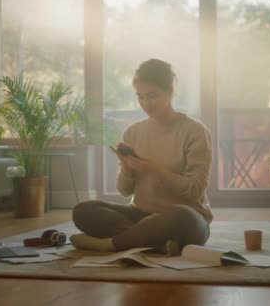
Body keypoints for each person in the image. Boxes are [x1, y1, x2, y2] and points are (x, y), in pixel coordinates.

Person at [70, 58, 213, 254]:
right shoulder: (133, 132)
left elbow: (195, 191)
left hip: (182, 218)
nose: (146, 103)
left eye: (152, 96)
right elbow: (124, 191)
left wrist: (155, 170)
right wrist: (127, 170)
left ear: (170, 91)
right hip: (141, 215)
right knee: (83, 211)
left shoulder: (195, 131)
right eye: (141, 96)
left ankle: (112, 244)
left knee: (183, 216)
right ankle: (155, 243)